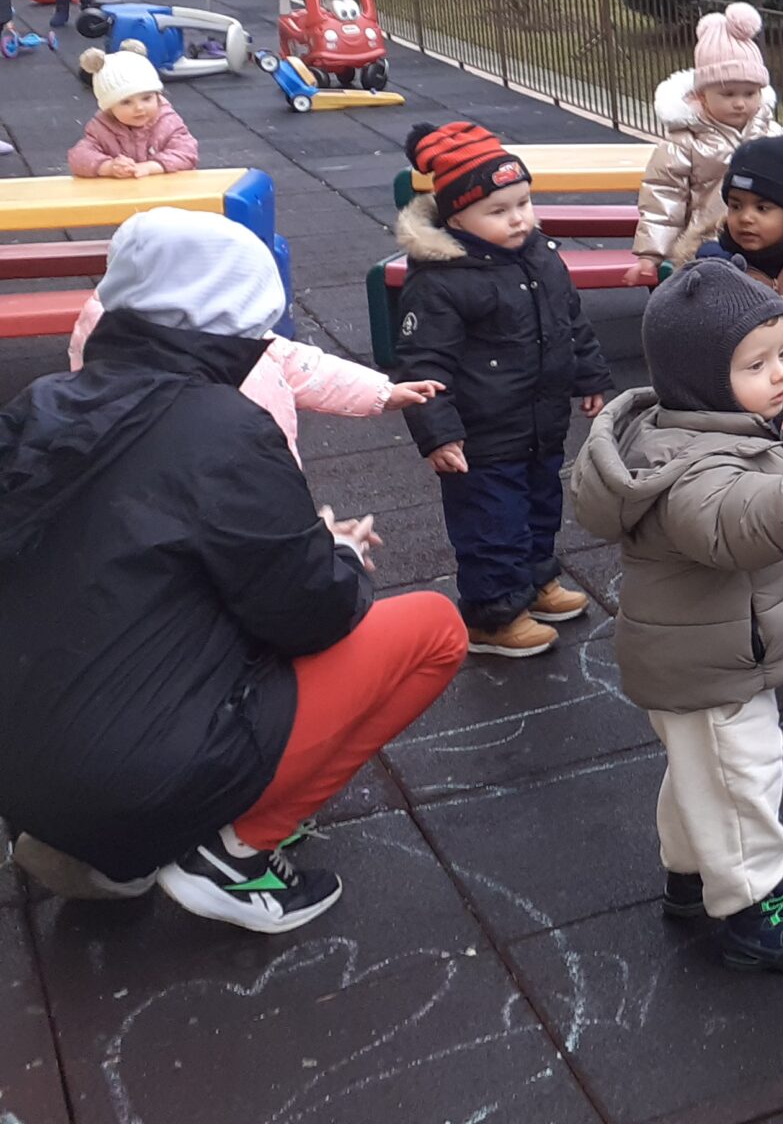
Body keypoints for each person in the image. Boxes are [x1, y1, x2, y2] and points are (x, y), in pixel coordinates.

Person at [0, 209, 466, 932]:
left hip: (24, 762)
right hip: (134, 767)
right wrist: (335, 553)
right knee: (433, 628)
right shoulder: (222, 424)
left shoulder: (43, 403)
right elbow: (310, 612)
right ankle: (231, 853)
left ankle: (105, 847)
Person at [570, 260, 783, 973]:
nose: (781, 374)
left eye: (781, 354)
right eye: (756, 365)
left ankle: (692, 876)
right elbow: (737, 518)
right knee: (742, 775)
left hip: (701, 655)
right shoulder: (692, 467)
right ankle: (755, 907)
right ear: (701, 379)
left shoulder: (712, 427)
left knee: (702, 775)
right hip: (713, 664)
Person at [392, 121, 611, 659]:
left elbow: (569, 319)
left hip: (538, 420)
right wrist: (438, 434)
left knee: (540, 505)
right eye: (498, 210)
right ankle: (493, 615)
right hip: (481, 434)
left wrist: (589, 374)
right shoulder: (441, 279)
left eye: (524, 203)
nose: (518, 218)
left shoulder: (537, 255)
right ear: (456, 218)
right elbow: (422, 365)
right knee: (491, 522)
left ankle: (534, 581)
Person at [71, 286, 443, 469]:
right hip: (213, 491)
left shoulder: (237, 337)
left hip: (266, 474)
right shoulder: (139, 381)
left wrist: (382, 391)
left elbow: (301, 365)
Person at [628, 2, 783, 283]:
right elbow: (663, 201)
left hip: (771, 243)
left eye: (750, 93)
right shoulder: (684, 143)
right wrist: (651, 255)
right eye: (729, 94)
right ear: (701, 96)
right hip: (706, 245)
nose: (740, 103)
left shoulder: (774, 136)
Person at [696, 133, 783, 397]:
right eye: (736, 206)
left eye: (762, 208)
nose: (745, 218)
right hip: (744, 405)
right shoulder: (716, 266)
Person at [69, 41, 198, 177]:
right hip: (122, 190)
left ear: (157, 96)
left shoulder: (168, 123)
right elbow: (78, 157)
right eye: (126, 102)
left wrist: (151, 167)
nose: (139, 107)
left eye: (146, 98)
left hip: (166, 188)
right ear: (109, 107)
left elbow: (187, 152)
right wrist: (109, 167)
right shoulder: (102, 129)